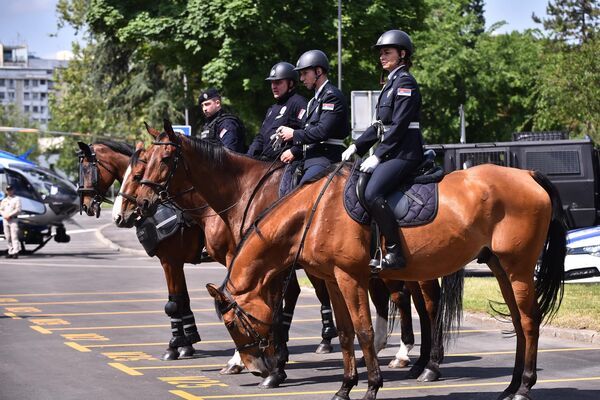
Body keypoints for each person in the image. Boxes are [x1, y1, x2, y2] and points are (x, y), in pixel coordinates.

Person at [341, 29, 424, 271]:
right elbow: (379, 125)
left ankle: (395, 252)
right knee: (359, 183)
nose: (382, 56)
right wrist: (357, 145)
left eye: (387, 52)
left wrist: (377, 155)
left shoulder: (405, 82)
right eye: (380, 53)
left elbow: (399, 126)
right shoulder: (391, 84)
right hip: (393, 151)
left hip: (406, 153)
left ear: (402, 54)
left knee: (372, 192)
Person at [276, 50, 350, 185]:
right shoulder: (313, 101)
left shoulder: (331, 96)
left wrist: (293, 134)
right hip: (310, 158)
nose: (301, 79)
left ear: (318, 71)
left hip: (326, 158)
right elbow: (308, 131)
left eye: (305, 73)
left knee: (301, 194)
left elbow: (322, 131)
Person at [247, 62, 307, 161]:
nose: (273, 86)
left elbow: (308, 132)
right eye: (272, 82)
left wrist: (295, 150)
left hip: (286, 164)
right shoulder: (272, 109)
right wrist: (248, 158)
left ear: (291, 83)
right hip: (265, 164)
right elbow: (261, 137)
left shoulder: (298, 103)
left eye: (278, 82)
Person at [198, 88, 246, 153]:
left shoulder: (227, 122)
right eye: (202, 106)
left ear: (217, 103)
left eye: (207, 104)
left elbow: (229, 152)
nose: (204, 109)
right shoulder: (208, 125)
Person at [0, 185, 22, 258]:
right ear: (6, 191)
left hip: (13, 219)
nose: (9, 191)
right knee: (7, 236)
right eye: (8, 190)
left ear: (13, 190)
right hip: (5, 220)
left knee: (14, 236)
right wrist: (4, 215)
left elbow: (18, 209)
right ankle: (10, 251)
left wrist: (9, 215)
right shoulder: (4, 200)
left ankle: (15, 252)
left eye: (11, 190)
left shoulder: (16, 199)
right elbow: (1, 209)